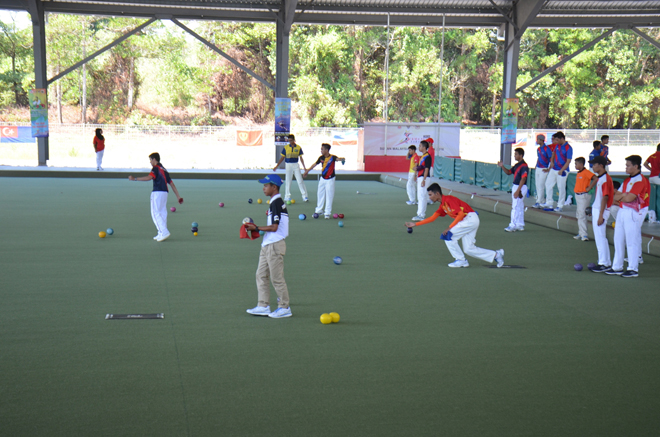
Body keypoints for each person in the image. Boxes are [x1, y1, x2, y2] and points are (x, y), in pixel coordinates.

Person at [405, 183, 505, 268]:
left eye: (430, 194)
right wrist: (415, 224)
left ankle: (461, 260)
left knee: (448, 235)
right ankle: (496, 255)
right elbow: (432, 218)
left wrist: (449, 227)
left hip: (469, 219)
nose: (429, 197)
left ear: (437, 193)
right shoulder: (442, 205)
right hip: (469, 221)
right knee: (468, 249)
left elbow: (461, 214)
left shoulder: (449, 200)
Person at [244, 174, 292, 318]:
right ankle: (263, 305)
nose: (264, 188)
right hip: (267, 245)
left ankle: (284, 307)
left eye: (266, 185)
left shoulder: (276, 203)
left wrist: (256, 228)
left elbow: (274, 227)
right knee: (261, 274)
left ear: (274, 187)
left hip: (274, 245)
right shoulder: (273, 203)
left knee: (276, 278)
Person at [605, 155, 650, 278]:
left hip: (633, 212)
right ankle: (617, 267)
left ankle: (632, 268)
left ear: (636, 166)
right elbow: (616, 196)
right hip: (622, 210)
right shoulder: (626, 181)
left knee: (632, 240)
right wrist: (624, 195)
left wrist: (624, 196)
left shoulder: (640, 180)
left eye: (628, 165)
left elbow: (630, 198)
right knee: (618, 239)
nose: (626, 168)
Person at [128, 153, 183, 242]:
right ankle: (161, 232)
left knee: (155, 213)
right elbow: (171, 183)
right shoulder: (164, 169)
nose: (150, 162)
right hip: (165, 193)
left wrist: (134, 178)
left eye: (150, 160)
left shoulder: (156, 168)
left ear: (154, 159)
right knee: (162, 212)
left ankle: (164, 231)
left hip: (157, 193)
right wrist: (178, 196)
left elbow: (149, 177)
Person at [303, 143, 345, 219]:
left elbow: (338, 159)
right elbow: (314, 164)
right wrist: (307, 171)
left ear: (326, 150)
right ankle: (319, 210)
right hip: (322, 179)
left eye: (322, 149)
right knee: (320, 194)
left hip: (330, 179)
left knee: (329, 195)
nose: (321, 150)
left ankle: (327, 213)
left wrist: (342, 159)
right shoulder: (321, 158)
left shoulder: (332, 157)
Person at [589, 156, 615, 273]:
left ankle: (603, 263)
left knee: (600, 238)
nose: (593, 166)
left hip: (601, 210)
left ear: (601, 165)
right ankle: (605, 262)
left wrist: (600, 215)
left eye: (594, 164)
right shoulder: (602, 178)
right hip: (599, 209)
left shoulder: (604, 179)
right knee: (601, 238)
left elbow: (605, 197)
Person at [498, 147, 528, 232]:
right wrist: (502, 166)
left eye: (516, 154)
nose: (514, 156)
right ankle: (519, 224)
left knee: (515, 206)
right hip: (518, 186)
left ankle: (513, 225)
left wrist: (518, 190)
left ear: (521, 155)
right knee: (520, 206)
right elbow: (508, 172)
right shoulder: (517, 165)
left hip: (520, 186)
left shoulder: (524, 166)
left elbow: (523, 179)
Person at [273, 134, 309, 202]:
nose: (290, 142)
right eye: (289, 140)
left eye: (291, 140)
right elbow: (282, 157)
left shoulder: (298, 147)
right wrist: (276, 166)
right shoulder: (286, 147)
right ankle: (287, 196)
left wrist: (304, 168)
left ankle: (305, 196)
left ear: (294, 140)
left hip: (296, 165)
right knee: (288, 181)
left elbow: (301, 158)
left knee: (300, 181)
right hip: (288, 165)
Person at [543, 132, 573, 212]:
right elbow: (553, 154)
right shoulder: (557, 146)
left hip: (562, 171)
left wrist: (562, 170)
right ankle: (549, 202)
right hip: (554, 169)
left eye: (557, 140)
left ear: (562, 139)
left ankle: (560, 205)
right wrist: (552, 162)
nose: (555, 141)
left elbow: (568, 161)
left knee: (561, 187)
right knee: (548, 184)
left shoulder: (568, 148)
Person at [572, 157, 597, 241]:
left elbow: (595, 178)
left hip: (584, 196)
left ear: (581, 164)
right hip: (578, 195)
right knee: (579, 214)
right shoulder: (579, 173)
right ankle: (581, 232)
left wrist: (589, 187)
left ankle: (584, 235)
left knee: (582, 214)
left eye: (576, 164)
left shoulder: (586, 172)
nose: (575, 165)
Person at [412, 141, 432, 221]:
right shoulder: (423, 156)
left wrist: (424, 179)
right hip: (421, 177)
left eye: (420, 146)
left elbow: (427, 169)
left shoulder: (427, 157)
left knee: (422, 196)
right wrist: (417, 169)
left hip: (424, 178)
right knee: (420, 196)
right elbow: (422, 167)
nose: (419, 147)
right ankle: (420, 214)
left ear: (424, 147)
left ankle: (421, 215)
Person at [532, 134, 552, 209]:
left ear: (541, 140)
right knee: (537, 185)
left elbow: (551, 159)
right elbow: (539, 157)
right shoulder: (538, 149)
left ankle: (539, 201)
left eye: (537, 139)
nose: (536, 141)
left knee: (541, 185)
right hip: (538, 168)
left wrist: (548, 168)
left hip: (544, 169)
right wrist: (536, 165)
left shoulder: (547, 149)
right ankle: (541, 200)